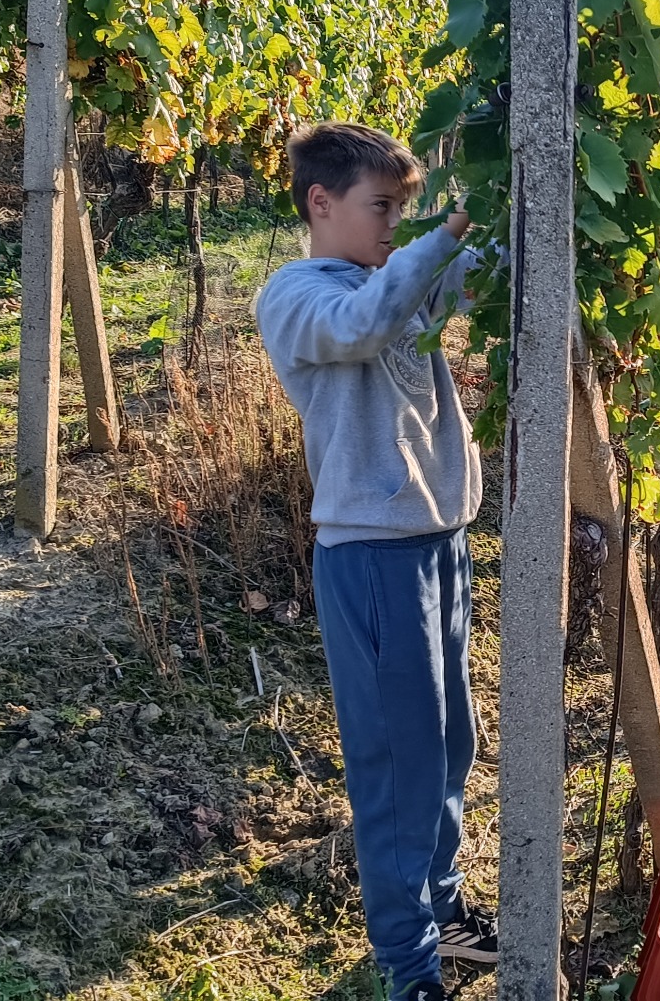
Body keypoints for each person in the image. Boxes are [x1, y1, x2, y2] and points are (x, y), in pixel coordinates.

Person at [255, 122, 497, 1001]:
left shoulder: (393, 275)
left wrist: (511, 205)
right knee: (398, 764)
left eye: (405, 209)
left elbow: (469, 277)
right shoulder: (298, 296)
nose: (397, 224)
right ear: (320, 203)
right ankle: (409, 964)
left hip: (437, 541)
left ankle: (442, 905)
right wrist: (449, 228)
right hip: (372, 555)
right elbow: (367, 324)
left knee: (451, 742)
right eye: (382, 207)